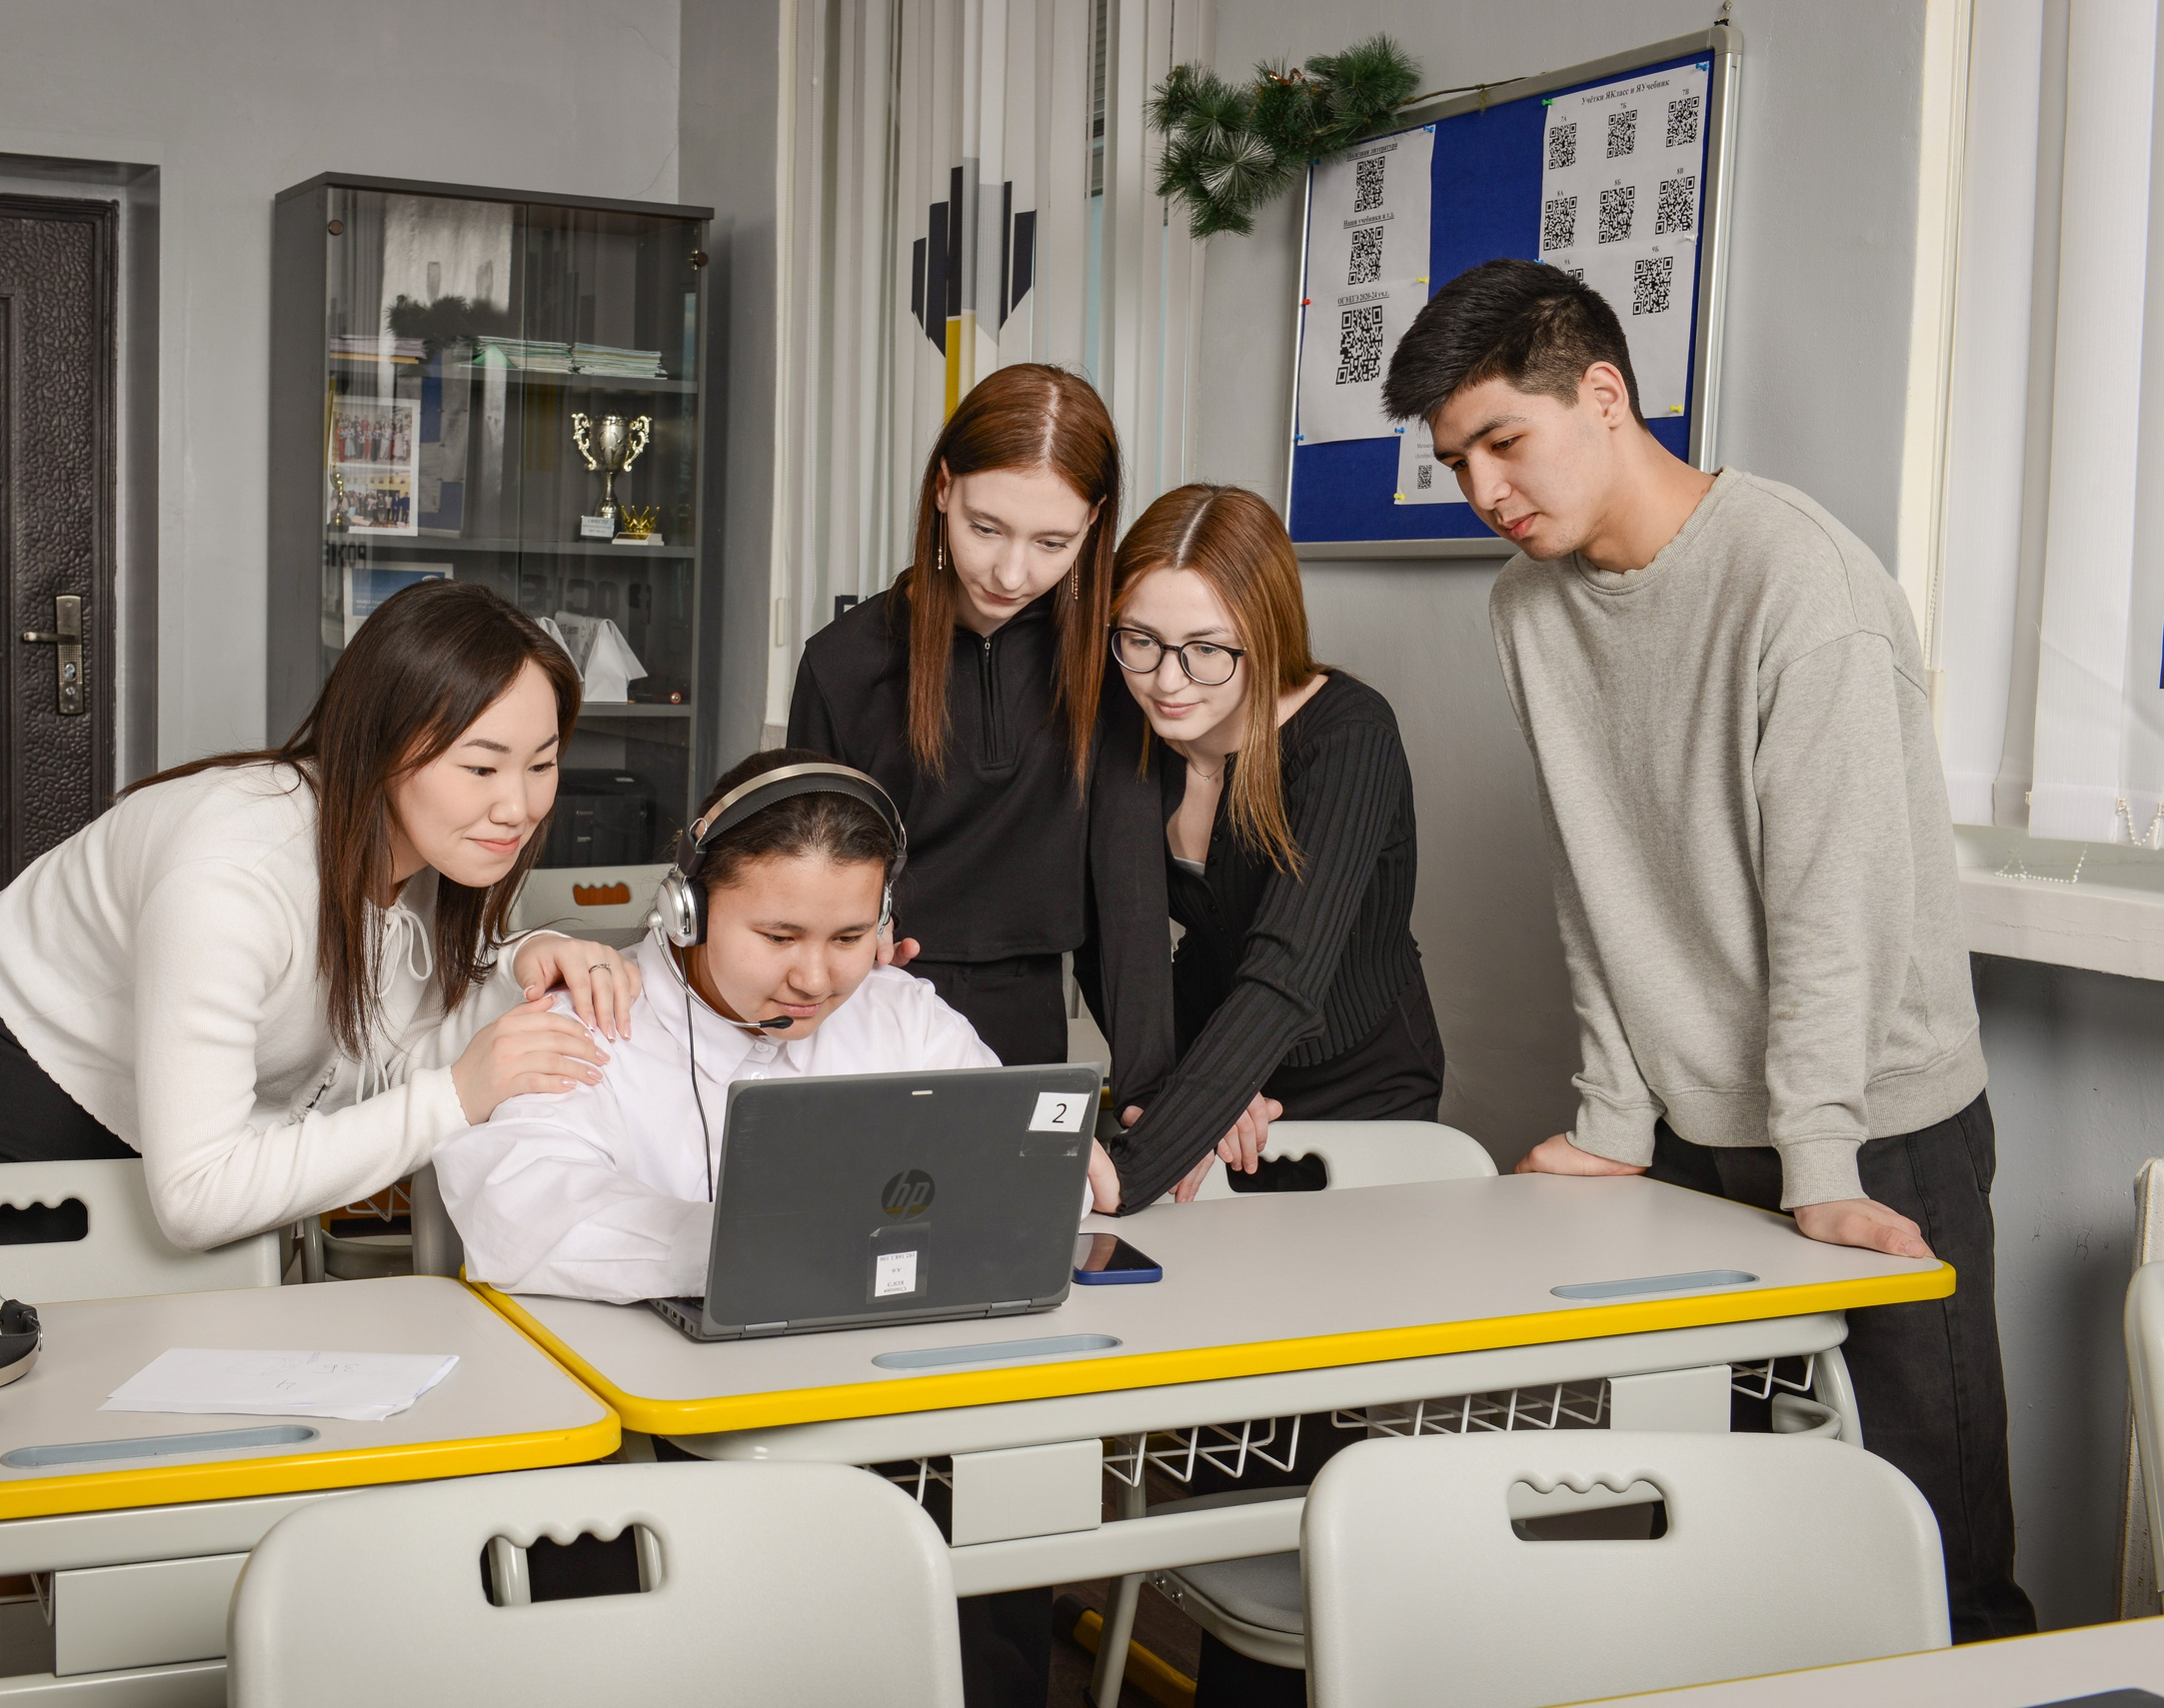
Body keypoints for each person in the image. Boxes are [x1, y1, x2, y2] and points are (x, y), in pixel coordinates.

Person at [1381, 256, 2035, 1641]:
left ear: (1604, 394)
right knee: (1713, 1555)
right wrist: (1615, 1120)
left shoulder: (1800, 585)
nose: (1486, 490)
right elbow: (1596, 877)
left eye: (1505, 439)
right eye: (1456, 461)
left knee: (1933, 1553)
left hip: (1874, 1131)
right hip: (1687, 1137)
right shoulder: (1530, 606)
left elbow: (1831, 904)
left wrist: (1821, 1159)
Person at [438, 749, 1115, 1708]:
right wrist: (758, 1240)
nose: (815, 975)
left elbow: (1039, 1190)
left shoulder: (898, 1011)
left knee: (988, 1578)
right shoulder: (593, 1019)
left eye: (849, 934)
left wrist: (1047, 1171)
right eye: (779, 932)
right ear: (690, 905)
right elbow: (517, 1214)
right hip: (683, 1445)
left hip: (894, 1425)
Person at [0, 581, 644, 1253]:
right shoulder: (233, 870)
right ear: (384, 744)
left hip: (159, 1135)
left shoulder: (435, 848)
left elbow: (386, 1060)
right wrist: (458, 1096)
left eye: (543, 763)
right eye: (481, 765)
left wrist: (523, 963)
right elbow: (199, 1193)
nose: (519, 804)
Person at [787, 363, 1171, 1093]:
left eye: (1052, 542)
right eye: (985, 527)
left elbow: (1129, 899)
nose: (1011, 572)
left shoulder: (1113, 659)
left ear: (1094, 522)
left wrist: (1154, 1089)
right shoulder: (844, 663)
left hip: (1029, 1013)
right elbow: (799, 875)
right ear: (942, 489)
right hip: (869, 1009)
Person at [1097, 484, 1440, 1218]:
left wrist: (1134, 1170)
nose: (1165, 680)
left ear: (1269, 631)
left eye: (1207, 650)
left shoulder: (1346, 739)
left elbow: (1284, 975)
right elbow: (1108, 929)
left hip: (1357, 1079)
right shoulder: (1128, 728)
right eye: (1140, 640)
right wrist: (1170, 1086)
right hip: (1203, 1062)